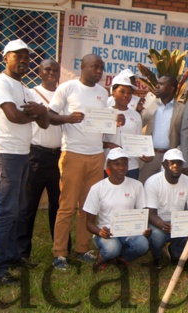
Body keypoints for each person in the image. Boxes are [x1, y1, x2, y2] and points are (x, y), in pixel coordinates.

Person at [47, 54, 125, 270]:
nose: (99, 72)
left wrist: (116, 120)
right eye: (95, 67)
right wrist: (67, 119)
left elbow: (104, 123)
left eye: (101, 68)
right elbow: (49, 115)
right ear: (82, 67)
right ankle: (60, 253)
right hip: (73, 154)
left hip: (97, 156)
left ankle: (82, 249)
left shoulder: (102, 93)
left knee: (88, 208)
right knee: (67, 206)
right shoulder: (67, 88)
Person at [0, 39, 49, 285]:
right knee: (6, 212)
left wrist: (41, 112)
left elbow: (43, 121)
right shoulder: (0, 83)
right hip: (5, 154)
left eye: (27, 56)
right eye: (17, 56)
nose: (23, 60)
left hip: (23, 153)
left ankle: (12, 257)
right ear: (5, 58)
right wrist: (37, 113)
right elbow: (12, 115)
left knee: (16, 210)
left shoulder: (25, 89)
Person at [17, 59, 63, 267]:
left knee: (58, 206)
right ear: (40, 72)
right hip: (36, 155)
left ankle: (61, 249)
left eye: (55, 70)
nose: (52, 73)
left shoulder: (64, 94)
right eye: (47, 69)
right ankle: (21, 252)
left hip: (58, 157)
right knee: (28, 206)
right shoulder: (31, 93)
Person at [84, 148, 150, 272]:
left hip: (128, 232)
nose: (121, 168)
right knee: (112, 248)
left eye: (125, 164)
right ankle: (102, 258)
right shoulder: (97, 188)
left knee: (143, 244)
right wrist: (100, 232)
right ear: (108, 165)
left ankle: (122, 257)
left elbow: (143, 213)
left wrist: (143, 229)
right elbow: (89, 223)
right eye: (117, 164)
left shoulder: (137, 185)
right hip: (108, 233)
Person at [144, 149, 188, 268]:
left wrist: (183, 224)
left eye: (179, 163)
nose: (176, 166)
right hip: (158, 222)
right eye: (172, 162)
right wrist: (161, 223)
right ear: (164, 165)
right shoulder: (152, 182)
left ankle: (174, 252)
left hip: (178, 222)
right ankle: (158, 256)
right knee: (157, 237)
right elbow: (150, 213)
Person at [103, 74, 151, 180]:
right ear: (113, 93)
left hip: (131, 166)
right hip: (110, 164)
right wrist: (109, 144)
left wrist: (143, 153)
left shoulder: (136, 115)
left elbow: (137, 140)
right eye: (122, 91)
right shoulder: (105, 113)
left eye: (129, 93)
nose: (126, 95)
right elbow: (97, 140)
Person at [138, 75, 185, 183]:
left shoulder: (182, 109)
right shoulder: (153, 105)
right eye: (157, 83)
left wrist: (177, 153)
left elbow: (185, 136)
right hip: (150, 157)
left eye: (161, 84)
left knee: (167, 189)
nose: (157, 86)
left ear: (171, 88)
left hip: (170, 158)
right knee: (144, 187)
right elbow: (139, 123)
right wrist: (138, 111)